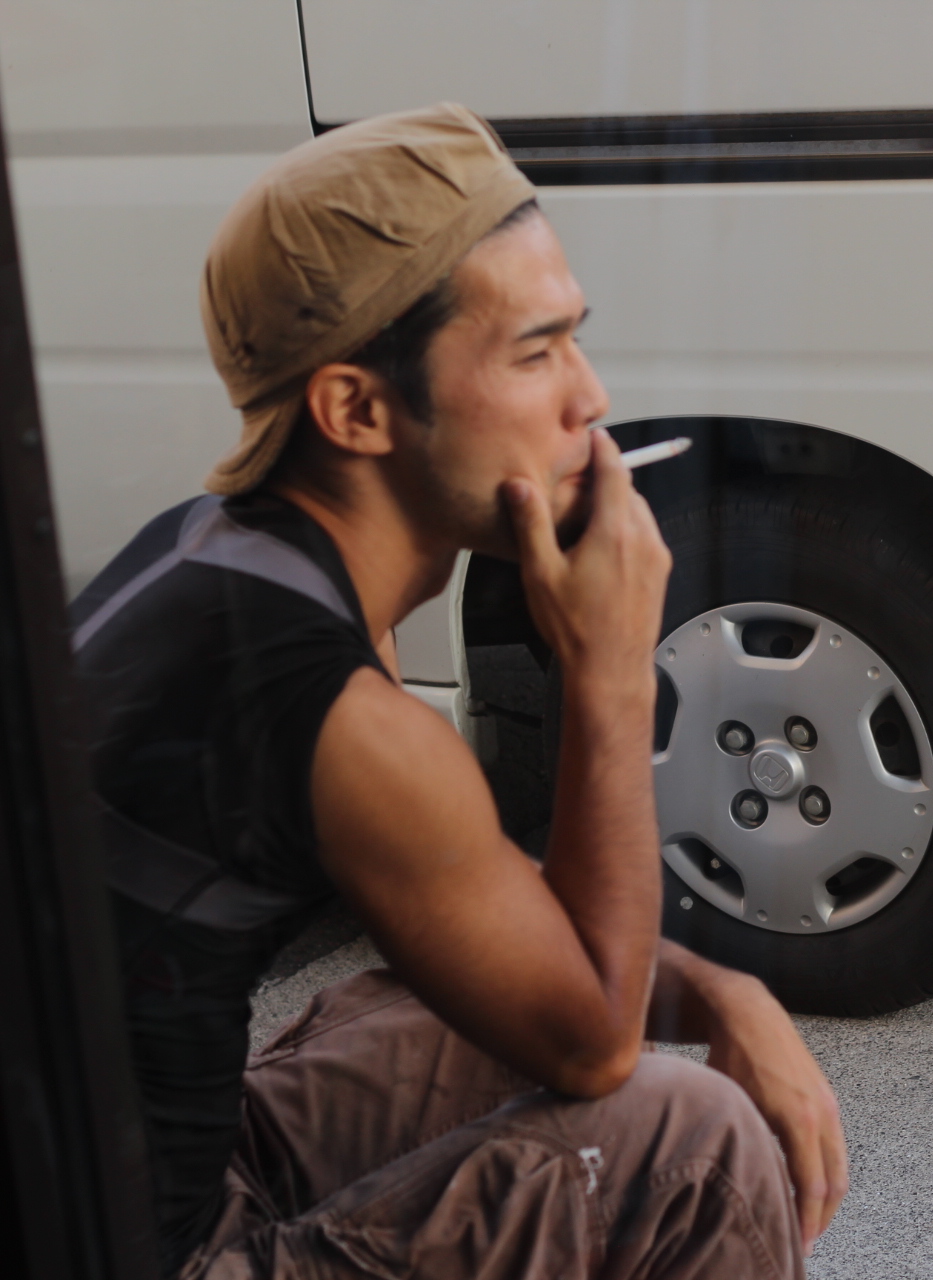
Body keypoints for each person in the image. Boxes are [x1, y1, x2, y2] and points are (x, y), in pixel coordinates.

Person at [72, 103, 847, 1278]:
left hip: (155, 1168)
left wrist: (726, 991)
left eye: (576, 339)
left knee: (430, 1003)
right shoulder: (338, 713)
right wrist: (610, 670)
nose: (590, 398)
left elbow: (505, 915)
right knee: (692, 1149)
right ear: (356, 409)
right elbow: (593, 1038)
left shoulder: (222, 551)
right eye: (535, 354)